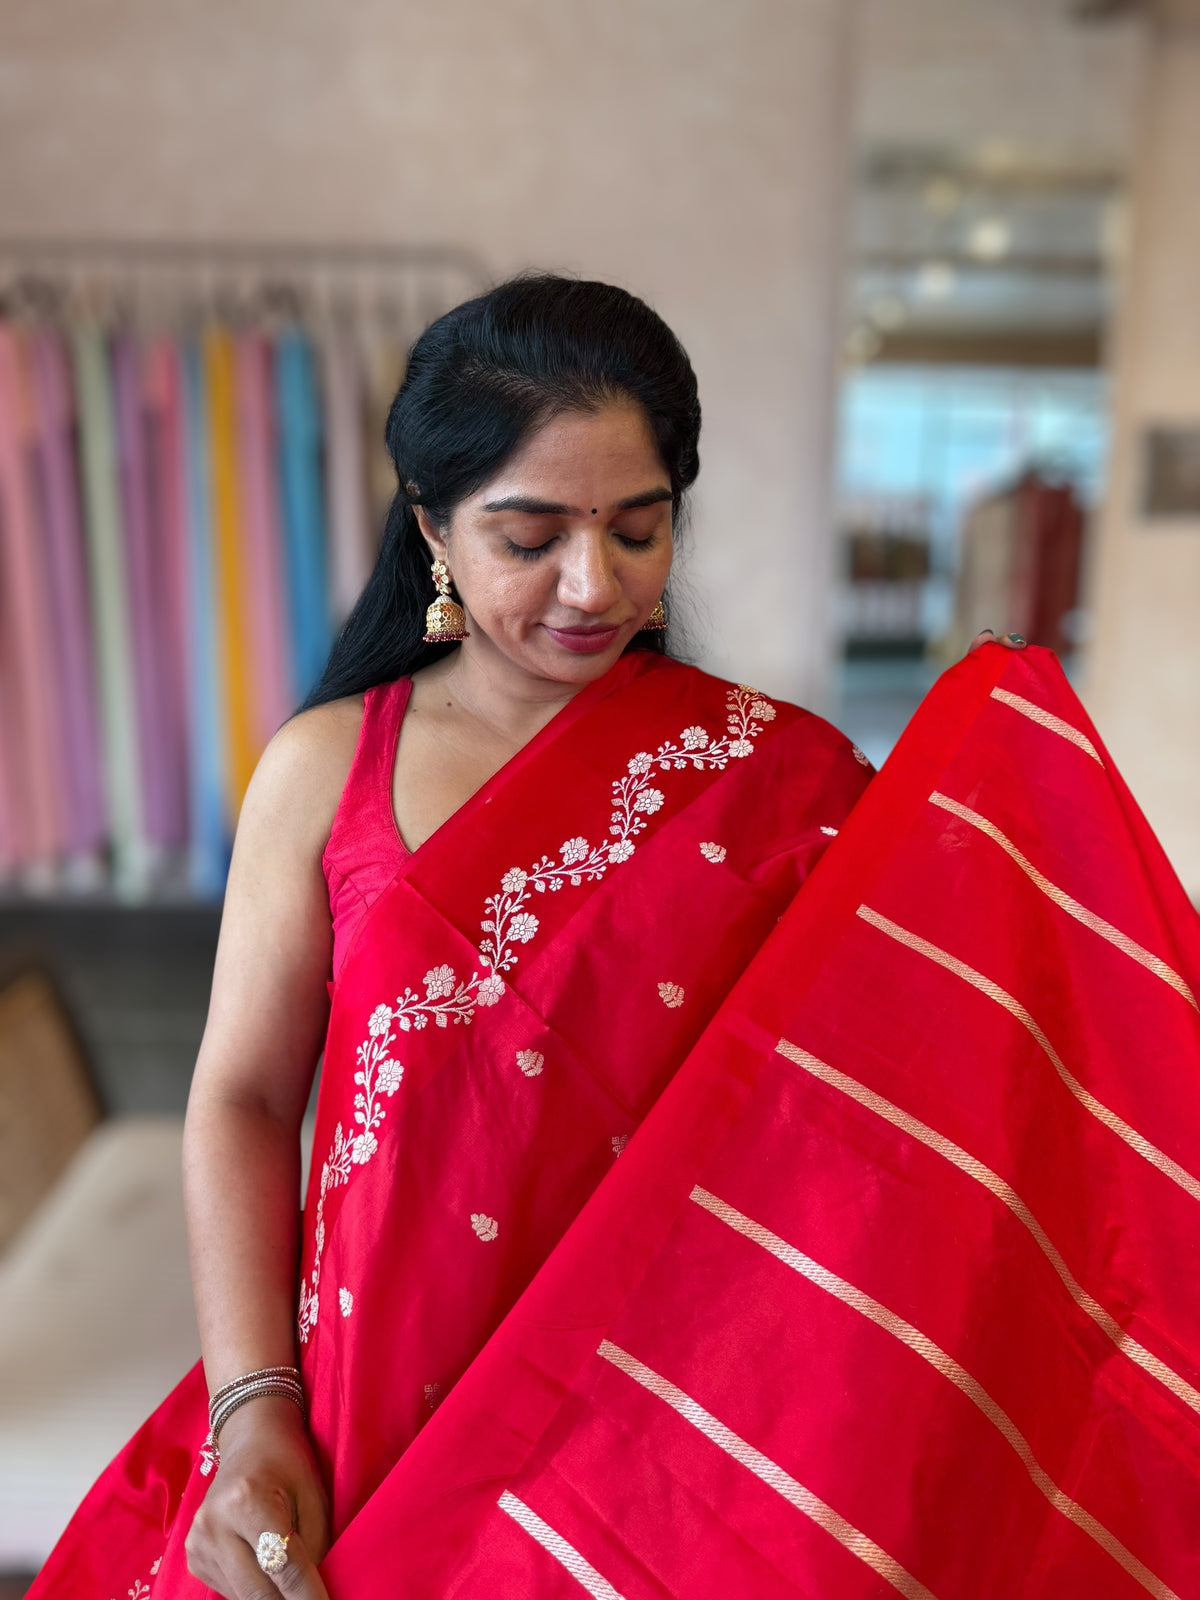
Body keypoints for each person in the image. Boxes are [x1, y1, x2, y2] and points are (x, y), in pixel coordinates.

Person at [30, 276, 1026, 1600]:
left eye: (636, 529)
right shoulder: (330, 768)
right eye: (531, 534)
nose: (590, 584)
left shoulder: (779, 779)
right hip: (384, 1390)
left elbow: (911, 1091)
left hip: (689, 1408)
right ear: (434, 526)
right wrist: (252, 1405)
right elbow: (249, 1095)